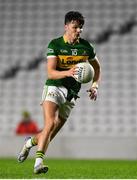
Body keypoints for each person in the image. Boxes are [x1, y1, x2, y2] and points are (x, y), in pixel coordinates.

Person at [17, 11, 101, 174]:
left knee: (50, 133)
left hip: (72, 93)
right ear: (66, 26)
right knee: (50, 123)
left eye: (81, 27)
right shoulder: (55, 45)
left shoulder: (86, 47)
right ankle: (38, 163)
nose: (78, 30)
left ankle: (29, 143)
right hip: (54, 86)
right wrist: (68, 72)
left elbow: (97, 68)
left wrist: (95, 85)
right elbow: (51, 72)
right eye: (75, 27)